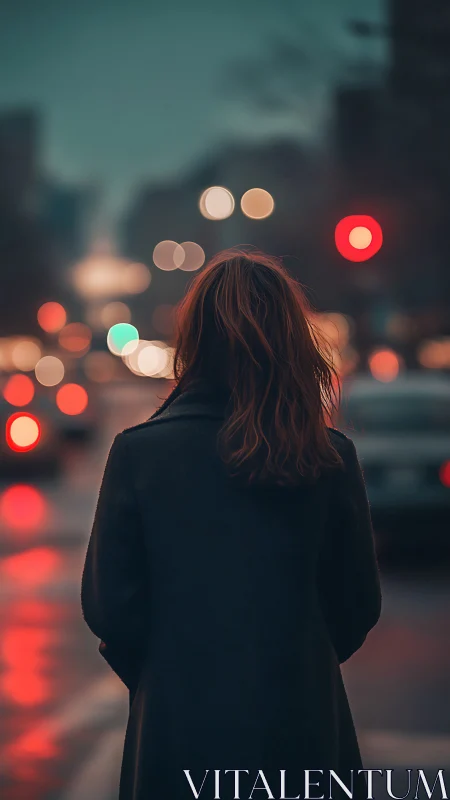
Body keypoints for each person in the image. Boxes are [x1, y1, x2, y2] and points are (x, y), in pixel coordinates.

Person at [81, 249, 382, 800]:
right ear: (293, 340)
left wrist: (170, 671)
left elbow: (110, 609)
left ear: (194, 340)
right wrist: (292, 659)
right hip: (301, 727)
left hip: (176, 731)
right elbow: (358, 605)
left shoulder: (140, 454)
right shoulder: (327, 457)